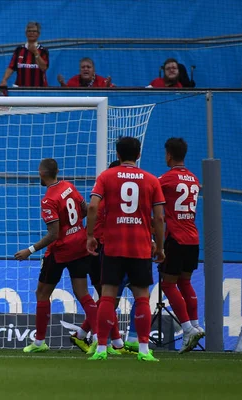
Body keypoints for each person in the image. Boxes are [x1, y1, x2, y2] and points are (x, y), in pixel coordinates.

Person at [86, 136, 166, 361]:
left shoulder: (106, 176)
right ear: (138, 155)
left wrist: (90, 235)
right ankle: (143, 350)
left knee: (108, 296)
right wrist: (159, 247)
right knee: (142, 297)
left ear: (118, 155)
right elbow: (159, 218)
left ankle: (101, 349)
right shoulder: (151, 180)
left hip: (113, 245)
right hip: (140, 246)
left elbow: (93, 206)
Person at [15, 159, 99, 353]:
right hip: (79, 245)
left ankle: (39, 342)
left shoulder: (48, 200)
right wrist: (76, 228)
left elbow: (54, 234)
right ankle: (98, 338)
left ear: (42, 174)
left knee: (42, 293)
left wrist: (30, 250)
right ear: (57, 171)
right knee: (83, 294)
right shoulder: (69, 187)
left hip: (60, 251)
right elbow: (85, 210)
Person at [71, 160, 137, 355]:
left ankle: (90, 336)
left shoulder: (105, 198)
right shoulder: (110, 201)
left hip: (100, 248)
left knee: (107, 298)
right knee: (109, 298)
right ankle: (103, 340)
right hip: (100, 249)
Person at [158, 137, 205, 353]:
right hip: (193, 238)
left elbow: (151, 190)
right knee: (185, 282)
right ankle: (195, 324)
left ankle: (187, 328)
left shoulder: (166, 179)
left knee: (168, 285)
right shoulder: (194, 179)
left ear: (169, 154)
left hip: (175, 239)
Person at [0, 22, 49, 87]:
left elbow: (44, 68)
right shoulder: (19, 50)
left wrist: (35, 52)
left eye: (34, 31)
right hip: (20, 89)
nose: (31, 33)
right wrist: (4, 80)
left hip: (39, 89)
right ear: (26, 33)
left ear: (38, 34)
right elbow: (11, 67)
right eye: (29, 31)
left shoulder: (43, 50)